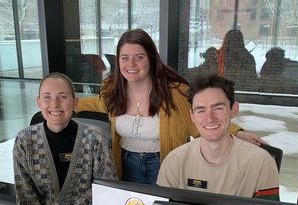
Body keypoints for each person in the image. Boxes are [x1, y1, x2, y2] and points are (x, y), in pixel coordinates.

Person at [76, 28, 264, 184]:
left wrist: (237, 132)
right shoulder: (112, 89)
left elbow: (201, 120)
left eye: (139, 57)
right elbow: (100, 103)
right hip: (126, 165)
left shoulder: (175, 91)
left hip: (165, 165)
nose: (130, 64)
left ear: (151, 58)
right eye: (124, 57)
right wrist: (68, 104)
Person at [13, 72, 117, 205]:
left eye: (63, 97)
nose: (55, 104)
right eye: (47, 97)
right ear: (39, 102)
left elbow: (106, 191)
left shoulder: (94, 137)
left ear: (75, 102)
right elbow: (25, 196)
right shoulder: (24, 140)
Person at [157, 74, 280, 201]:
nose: (210, 118)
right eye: (201, 110)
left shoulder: (261, 163)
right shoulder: (174, 162)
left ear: (234, 110)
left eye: (218, 108)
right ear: (192, 115)